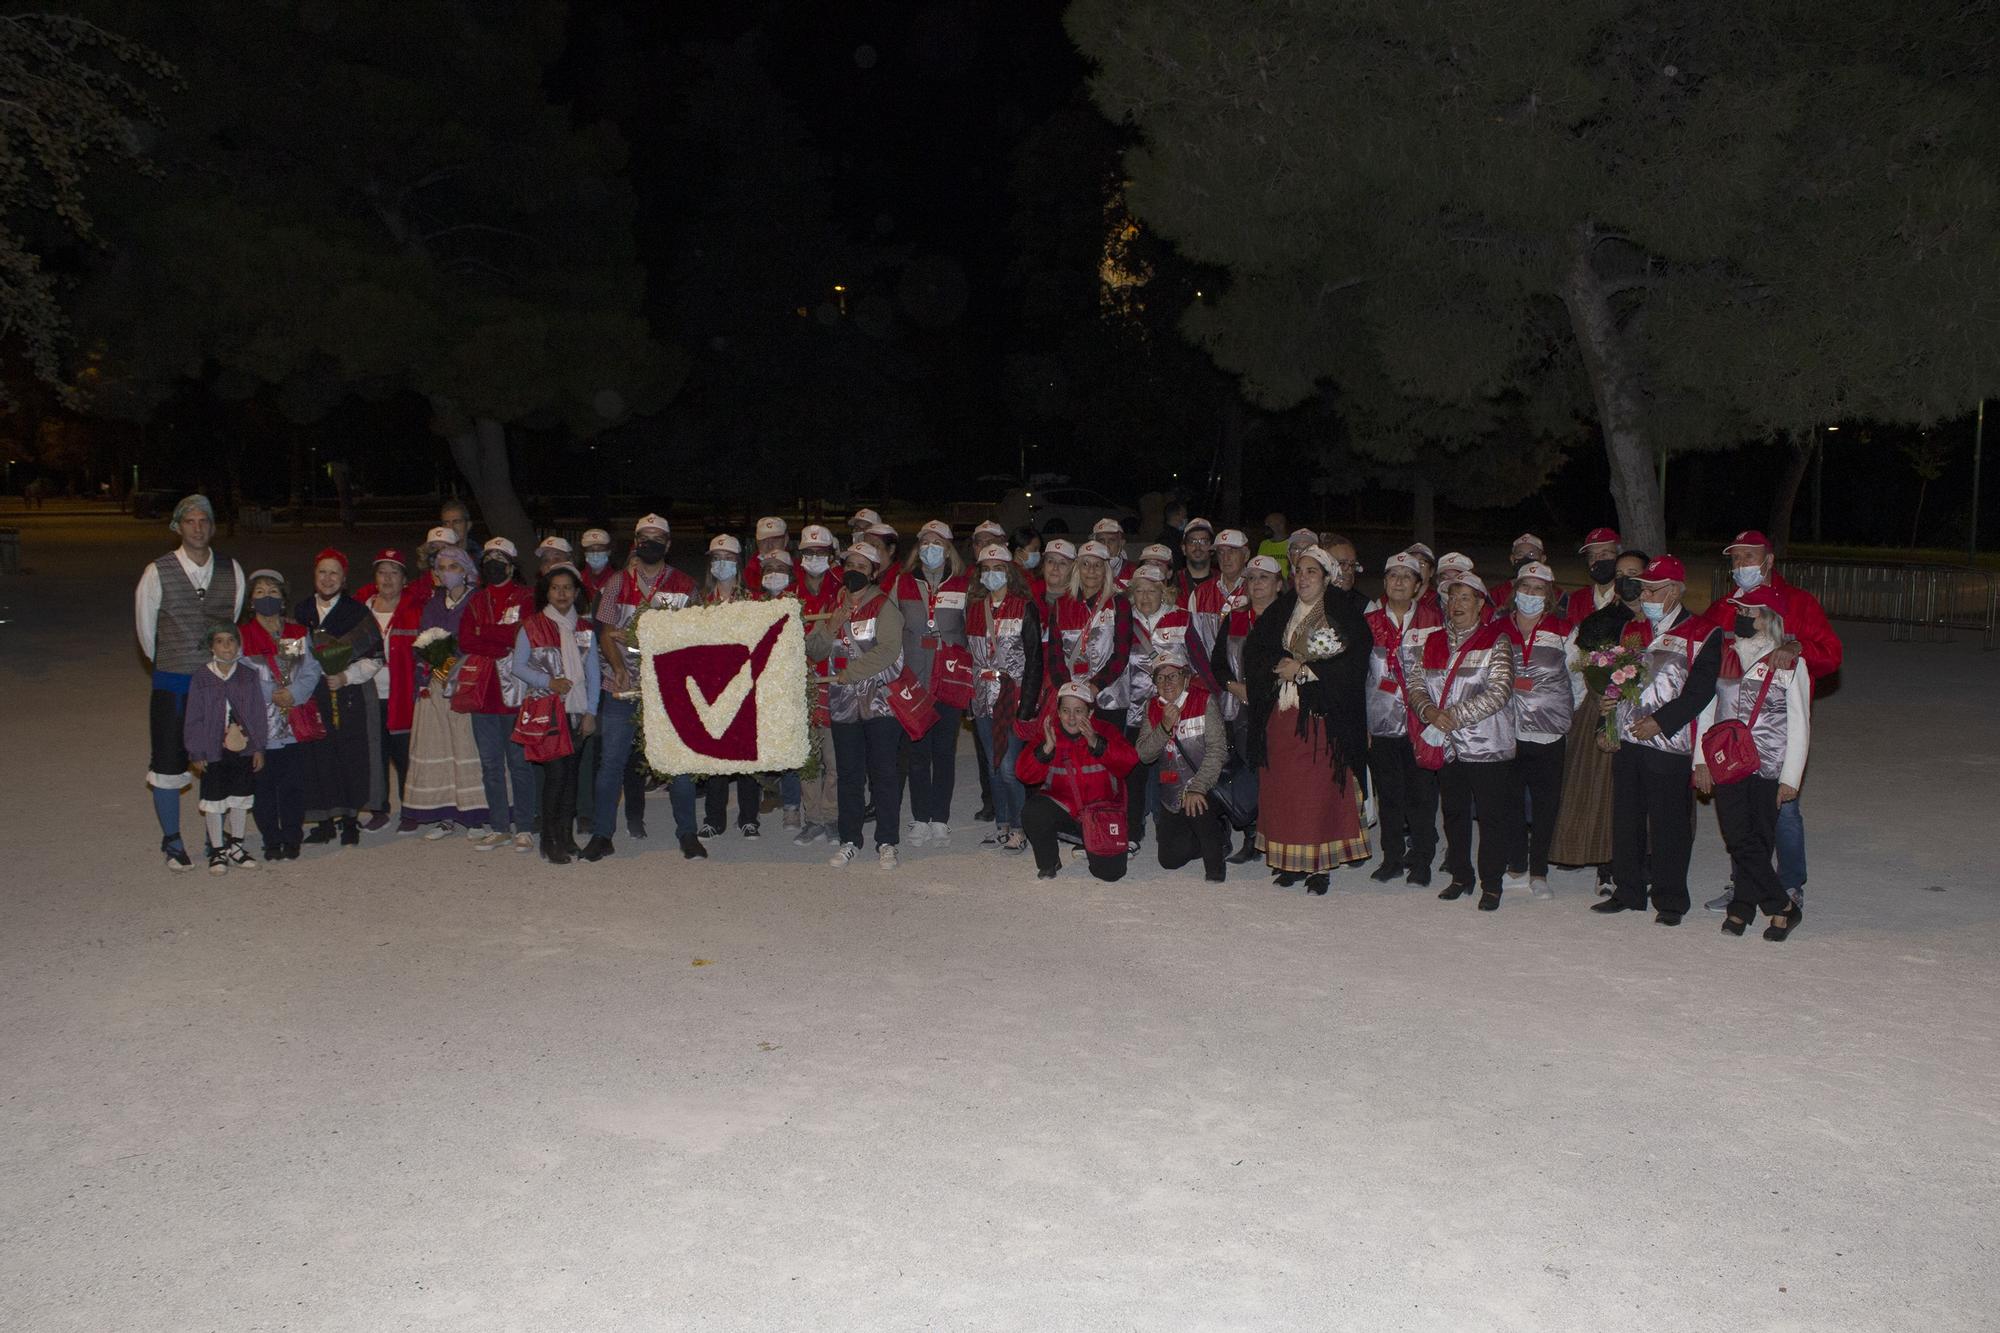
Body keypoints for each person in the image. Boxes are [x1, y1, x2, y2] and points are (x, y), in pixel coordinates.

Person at [1699, 529, 1842, 913]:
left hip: (1777, 728)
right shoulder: (1724, 607)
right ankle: (1743, 884)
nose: (1742, 565)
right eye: (1736, 559)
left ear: (1769, 560)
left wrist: (1798, 647)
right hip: (1733, 732)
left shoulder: (1799, 603)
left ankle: (1790, 883)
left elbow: (1832, 655)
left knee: (1784, 809)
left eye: (1749, 556)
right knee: (1739, 815)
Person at [1590, 555, 1722, 925]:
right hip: (1629, 742)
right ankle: (1628, 891)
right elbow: (1619, 682)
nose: (1644, 594)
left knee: (1668, 825)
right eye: (1644, 587)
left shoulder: (1702, 633)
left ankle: (1670, 900)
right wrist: (1608, 719)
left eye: (1653, 588)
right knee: (1626, 820)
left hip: (1669, 744)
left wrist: (1661, 723)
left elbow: (1701, 692)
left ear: (1675, 590)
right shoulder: (1633, 631)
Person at [1241, 546, 1372, 895]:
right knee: (1284, 790)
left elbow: (1355, 662)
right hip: (1282, 716)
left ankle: (1319, 866)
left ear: (1327, 577)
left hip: (1322, 719)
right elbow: (1255, 650)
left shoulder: (1343, 613)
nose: (1303, 578)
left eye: (1312, 571)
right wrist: (1277, 668)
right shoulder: (1281, 611)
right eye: (1299, 571)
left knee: (1318, 793)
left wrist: (1306, 670)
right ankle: (1290, 861)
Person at [134, 494, 246, 871]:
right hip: (173, 682)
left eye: (204, 521)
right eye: (190, 522)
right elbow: (148, 633)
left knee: (220, 758)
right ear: (178, 527)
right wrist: (176, 661)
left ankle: (221, 839)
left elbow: (232, 622)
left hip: (217, 683)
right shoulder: (157, 571)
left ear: (212, 527)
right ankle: (173, 840)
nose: (197, 528)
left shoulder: (232, 570)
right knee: (168, 762)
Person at [582, 514, 701, 862]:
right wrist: (618, 667)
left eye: (657, 538)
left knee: (677, 761)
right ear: (635, 542)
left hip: (668, 686)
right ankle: (602, 835)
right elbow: (604, 632)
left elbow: (696, 636)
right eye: (643, 538)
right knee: (612, 763)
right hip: (623, 686)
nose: (650, 543)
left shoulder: (684, 585)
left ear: (668, 543)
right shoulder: (618, 583)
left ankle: (687, 833)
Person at [1696, 586, 1812, 941]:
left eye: (1749, 612)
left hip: (1769, 763)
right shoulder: (1723, 655)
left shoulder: (1791, 663)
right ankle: (1783, 906)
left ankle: (1741, 907)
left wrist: (1790, 778)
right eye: (1739, 611)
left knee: (1759, 837)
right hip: (1728, 762)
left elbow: (1800, 725)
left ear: (1769, 619)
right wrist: (1700, 761)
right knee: (1737, 835)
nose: (1740, 617)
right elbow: (1707, 710)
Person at [1402, 572, 1522, 910]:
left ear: (1481, 604)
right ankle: (1460, 875)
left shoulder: (1495, 641)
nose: (1456, 604)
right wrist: (1427, 710)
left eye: (1465, 598)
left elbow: (1499, 692)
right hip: (1449, 747)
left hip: (1487, 747)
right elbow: (1415, 685)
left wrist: (1451, 716)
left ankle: (1492, 883)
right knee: (1453, 813)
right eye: (1451, 598)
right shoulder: (1433, 641)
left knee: (1491, 817)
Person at [1547, 548, 1649, 891]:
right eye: (1621, 574)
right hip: (1602, 706)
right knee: (1602, 791)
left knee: (1647, 793)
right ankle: (1606, 866)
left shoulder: (1662, 623)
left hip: (1650, 713)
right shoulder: (1597, 621)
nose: (1626, 580)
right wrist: (1597, 705)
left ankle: (1645, 862)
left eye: (1634, 573)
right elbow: (1580, 670)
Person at [806, 537, 908, 869]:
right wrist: (830, 626)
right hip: (843, 704)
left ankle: (888, 840)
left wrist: (851, 673)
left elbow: (889, 649)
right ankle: (850, 838)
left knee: (883, 773)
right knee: (849, 773)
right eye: (849, 565)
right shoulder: (834, 604)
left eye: (861, 567)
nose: (854, 571)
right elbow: (816, 651)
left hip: (879, 703)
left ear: (874, 572)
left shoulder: (883, 606)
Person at [1497, 561, 1581, 899]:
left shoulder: (1565, 631)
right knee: (1511, 801)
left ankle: (1539, 871)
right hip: (1507, 730)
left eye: (1538, 589)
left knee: (1546, 803)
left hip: (1548, 732)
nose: (1530, 594)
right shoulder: (1498, 628)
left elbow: (1578, 678)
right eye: (1525, 587)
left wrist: (1562, 711)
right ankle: (1516, 865)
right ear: (1515, 590)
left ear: (1549, 596)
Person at [295, 548, 387, 848]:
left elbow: (375, 658)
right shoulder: (302, 611)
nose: (328, 578)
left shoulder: (357, 613)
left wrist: (345, 676)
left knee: (350, 756)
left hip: (349, 693)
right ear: (314, 576)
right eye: (322, 572)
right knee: (316, 756)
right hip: (312, 696)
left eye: (334, 573)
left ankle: (349, 820)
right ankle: (323, 821)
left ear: (344, 579)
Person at [511, 564, 600, 864]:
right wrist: (548, 682)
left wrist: (591, 711)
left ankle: (566, 835)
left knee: (572, 777)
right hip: (546, 712)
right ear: (546, 592)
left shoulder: (585, 629)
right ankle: (548, 840)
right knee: (556, 775)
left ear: (577, 593)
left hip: (576, 713)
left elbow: (593, 673)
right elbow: (518, 666)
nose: (561, 593)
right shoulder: (532, 626)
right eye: (555, 588)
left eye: (567, 588)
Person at [1364, 551, 1442, 885]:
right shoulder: (1368, 623)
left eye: (1406, 576)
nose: (1398, 581)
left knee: (1421, 796)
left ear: (1418, 585)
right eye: (1392, 575)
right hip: (1380, 721)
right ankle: (1392, 858)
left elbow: (1441, 674)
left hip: (1420, 723)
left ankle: (1422, 860)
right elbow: (1359, 677)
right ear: (1384, 582)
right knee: (1390, 796)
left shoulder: (1433, 620)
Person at [403, 544, 489, 839]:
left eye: (453, 566)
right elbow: (422, 641)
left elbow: (479, 641)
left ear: (467, 571)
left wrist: (455, 663)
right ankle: (446, 815)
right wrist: (433, 668)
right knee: (440, 747)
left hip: (466, 683)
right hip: (437, 683)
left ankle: (474, 815)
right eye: (441, 567)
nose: (446, 572)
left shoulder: (477, 601)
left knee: (467, 747)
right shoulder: (434, 604)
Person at [1015, 680, 1140, 882]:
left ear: (1090, 713)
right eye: (1065, 710)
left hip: (1101, 813)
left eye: (1079, 711)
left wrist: (1096, 743)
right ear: (1058, 712)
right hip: (1066, 809)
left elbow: (1129, 762)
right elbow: (1023, 774)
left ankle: (1089, 845)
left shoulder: (1106, 730)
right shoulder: (1049, 732)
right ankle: (1049, 862)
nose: (1071, 718)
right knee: (1033, 811)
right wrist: (1046, 749)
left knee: (1111, 874)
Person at [458, 537, 537, 854]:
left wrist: (485, 632)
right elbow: (465, 639)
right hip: (483, 695)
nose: (493, 564)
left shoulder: (527, 596)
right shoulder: (476, 600)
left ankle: (526, 827)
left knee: (519, 763)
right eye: (488, 558)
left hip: (515, 693)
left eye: (500, 559)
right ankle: (500, 827)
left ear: (511, 565)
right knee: (490, 765)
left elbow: (524, 635)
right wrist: (500, 638)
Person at [967, 543, 1045, 854]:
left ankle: (1019, 827)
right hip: (982, 698)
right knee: (993, 766)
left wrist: (1026, 708)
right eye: (986, 570)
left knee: (1011, 767)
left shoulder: (1025, 607)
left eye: (998, 569)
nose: (992, 575)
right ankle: (1001, 824)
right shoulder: (974, 610)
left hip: (1012, 700)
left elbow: (1035, 660)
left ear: (1009, 573)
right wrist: (968, 702)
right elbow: (967, 659)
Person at [239, 570, 322, 862]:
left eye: (273, 592)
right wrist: (271, 692)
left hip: (293, 722)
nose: (266, 598)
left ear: (283, 600)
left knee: (293, 784)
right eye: (259, 592)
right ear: (250, 601)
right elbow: (239, 674)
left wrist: (295, 693)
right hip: (260, 724)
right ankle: (270, 839)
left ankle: (291, 836)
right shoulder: (243, 635)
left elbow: (310, 669)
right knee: (263, 785)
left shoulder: (295, 633)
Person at [1208, 553, 1285, 864]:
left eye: (1263, 578)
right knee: (1248, 770)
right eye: (1251, 579)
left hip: (1280, 707)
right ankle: (1253, 837)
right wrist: (1234, 687)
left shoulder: (1289, 619)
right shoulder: (1236, 617)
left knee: (1278, 773)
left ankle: (1281, 837)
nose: (1256, 584)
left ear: (1279, 584)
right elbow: (1217, 663)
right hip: (1241, 708)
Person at [899, 520, 971, 845]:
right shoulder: (902, 583)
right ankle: (919, 817)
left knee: (943, 753)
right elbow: (891, 632)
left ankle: (940, 817)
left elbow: (973, 634)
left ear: (948, 549)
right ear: (917, 548)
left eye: (937, 543)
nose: (930, 548)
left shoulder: (963, 585)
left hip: (950, 680)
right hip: (915, 680)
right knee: (917, 753)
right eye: (925, 542)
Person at [1133, 649, 1229, 882]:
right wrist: (1164, 727)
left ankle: (1216, 846)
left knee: (1198, 809)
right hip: (1172, 791)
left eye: (1173, 676)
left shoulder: (1204, 700)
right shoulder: (1151, 707)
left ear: (1185, 677)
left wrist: (1197, 787)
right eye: (1160, 677)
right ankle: (1211, 837)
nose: (1167, 682)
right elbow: (1143, 755)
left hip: (1205, 785)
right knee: (1169, 860)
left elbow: (1218, 751)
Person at [183, 623, 269, 875]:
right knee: (215, 800)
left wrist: (258, 746)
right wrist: (196, 751)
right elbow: (194, 717)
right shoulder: (201, 677)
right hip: (213, 750)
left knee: (240, 799)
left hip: (241, 748)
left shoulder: (247, 675)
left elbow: (257, 713)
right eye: (219, 641)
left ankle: (237, 846)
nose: (226, 646)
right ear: (211, 646)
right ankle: (218, 849)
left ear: (238, 645)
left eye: (230, 641)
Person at [1120, 563, 1193, 847]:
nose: (1145, 597)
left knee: (1173, 770)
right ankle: (1133, 831)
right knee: (1135, 771)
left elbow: (1198, 662)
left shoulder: (1182, 618)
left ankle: (1171, 827)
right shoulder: (1124, 621)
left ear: (1164, 591)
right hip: (1135, 710)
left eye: (1152, 590)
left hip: (1176, 709)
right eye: (1139, 591)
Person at [697, 534, 763, 840]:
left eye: (727, 559)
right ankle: (714, 818)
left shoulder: (752, 601)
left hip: (745, 687)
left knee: (747, 758)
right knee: (716, 760)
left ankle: (749, 817)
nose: (721, 564)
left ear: (737, 564)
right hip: (711, 688)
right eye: (716, 559)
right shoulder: (700, 602)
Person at [361, 549, 426, 831]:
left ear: (404, 579)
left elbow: (437, 652)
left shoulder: (416, 610)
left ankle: (410, 809)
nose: (387, 578)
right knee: (374, 755)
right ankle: (378, 809)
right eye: (382, 572)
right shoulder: (361, 609)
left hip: (404, 697)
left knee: (405, 756)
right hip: (369, 695)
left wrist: (434, 682)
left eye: (394, 572)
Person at [789, 525, 845, 845]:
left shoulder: (841, 588)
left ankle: (831, 816)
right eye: (808, 553)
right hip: (801, 686)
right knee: (808, 757)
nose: (813, 558)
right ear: (800, 555)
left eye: (820, 553)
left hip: (834, 682)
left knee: (834, 760)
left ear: (831, 555)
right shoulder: (790, 590)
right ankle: (812, 818)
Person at [1046, 539, 1133, 736]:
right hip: (1072, 700)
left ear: (1106, 570)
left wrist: (1095, 687)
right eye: (1085, 564)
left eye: (1097, 565)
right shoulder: (1061, 606)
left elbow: (1121, 654)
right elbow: (1055, 655)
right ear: (1077, 568)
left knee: (1108, 755)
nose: (1091, 570)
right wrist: (1068, 690)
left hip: (1110, 696)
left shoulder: (1119, 604)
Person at [1564, 527, 1623, 624]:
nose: (1597, 560)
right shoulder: (1577, 599)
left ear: (1619, 555)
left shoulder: (1629, 598)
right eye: (1591, 556)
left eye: (1604, 554)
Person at [1487, 533, 1547, 608]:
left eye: (1531, 554)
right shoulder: (1495, 595)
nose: (1526, 558)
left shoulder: (1558, 596)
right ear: (1512, 559)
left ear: (1542, 559)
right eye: (1520, 554)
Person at [1175, 517, 1217, 601]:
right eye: (1192, 541)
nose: (1197, 547)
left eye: (1203, 541)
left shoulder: (1223, 583)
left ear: (1212, 548)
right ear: (1183, 549)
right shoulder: (1172, 583)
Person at [745, 515, 789, 588]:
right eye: (764, 540)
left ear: (786, 540)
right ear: (757, 542)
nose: (770, 546)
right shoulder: (747, 574)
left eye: (775, 539)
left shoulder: (799, 571)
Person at [577, 528, 617, 607]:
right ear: (584, 553)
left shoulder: (618, 579)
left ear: (609, 552)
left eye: (600, 549)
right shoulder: (577, 579)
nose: (595, 553)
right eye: (591, 550)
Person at [1091, 516, 1134, 586]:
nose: (1106, 545)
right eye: (1101, 541)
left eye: (1111, 540)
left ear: (1121, 543)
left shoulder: (1134, 572)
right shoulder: (1084, 571)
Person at [1011, 526, 1046, 601]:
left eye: (1039, 550)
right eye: (1034, 549)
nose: (1038, 554)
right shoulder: (1010, 576)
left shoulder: (1036, 573)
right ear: (1019, 551)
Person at [1156, 499, 1188, 569]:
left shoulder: (1165, 536)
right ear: (1177, 516)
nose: (1186, 520)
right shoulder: (1170, 539)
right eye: (1184, 516)